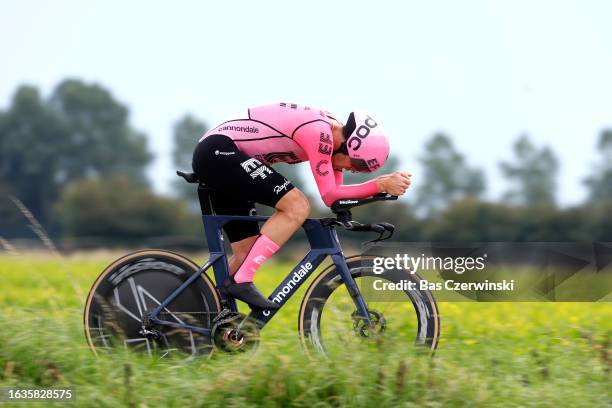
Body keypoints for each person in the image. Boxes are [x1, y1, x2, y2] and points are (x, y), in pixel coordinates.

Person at [192, 103, 411, 309]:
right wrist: (380, 184)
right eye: (357, 165)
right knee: (297, 206)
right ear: (347, 146)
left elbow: (338, 198)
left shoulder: (333, 137)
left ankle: (200, 310)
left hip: (227, 157)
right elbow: (331, 196)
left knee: (247, 253)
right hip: (218, 151)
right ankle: (242, 281)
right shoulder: (319, 133)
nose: (355, 171)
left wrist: (378, 190)